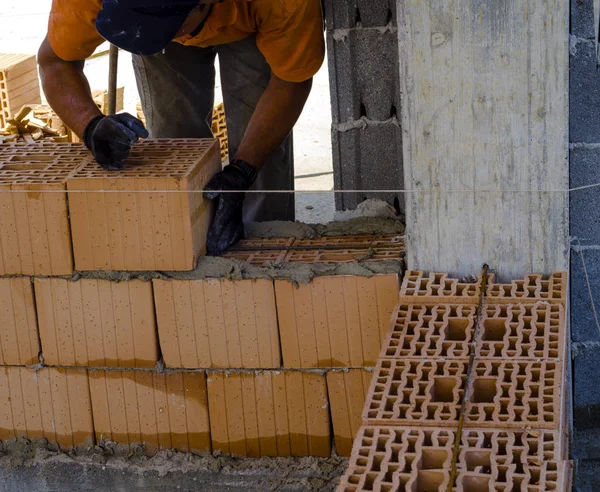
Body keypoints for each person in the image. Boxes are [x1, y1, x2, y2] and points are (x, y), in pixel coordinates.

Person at [38, 0, 325, 254]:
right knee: (175, 149)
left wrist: (243, 171)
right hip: (173, 17)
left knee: (262, 157)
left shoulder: (286, 4)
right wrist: (90, 126)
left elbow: (290, 79)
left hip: (254, 18)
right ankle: (186, 246)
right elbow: (55, 61)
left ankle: (265, 257)